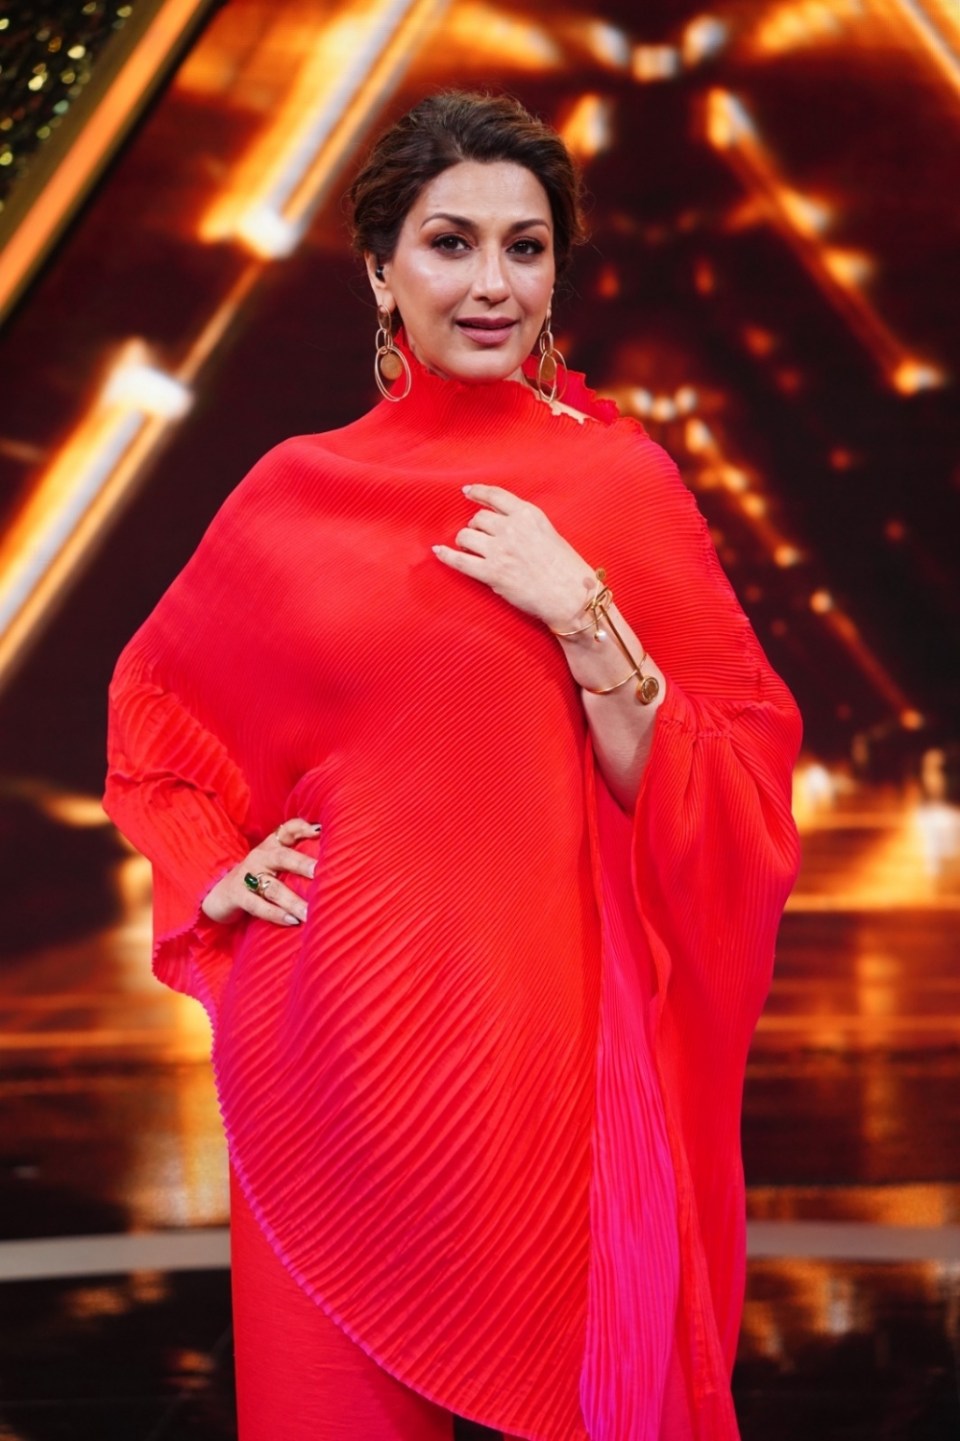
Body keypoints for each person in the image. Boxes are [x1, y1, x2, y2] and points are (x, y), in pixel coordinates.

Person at [103, 91, 801, 1441]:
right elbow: (156, 712)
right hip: (329, 1059)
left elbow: (726, 780)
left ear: (556, 272)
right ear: (381, 272)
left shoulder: (619, 487)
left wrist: (583, 611)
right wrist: (214, 866)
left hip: (551, 1082)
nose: (492, 285)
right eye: (450, 243)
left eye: (525, 248)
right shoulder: (293, 492)